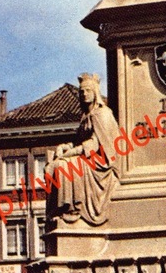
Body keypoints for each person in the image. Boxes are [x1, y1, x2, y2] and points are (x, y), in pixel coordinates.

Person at [48, 73, 120, 226]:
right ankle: (58, 212)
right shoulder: (85, 116)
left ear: (95, 93)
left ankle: (71, 209)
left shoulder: (103, 113)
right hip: (87, 157)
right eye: (82, 91)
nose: (84, 94)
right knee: (52, 166)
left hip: (100, 162)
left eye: (87, 90)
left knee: (64, 166)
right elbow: (78, 141)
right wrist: (65, 147)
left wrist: (72, 152)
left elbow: (95, 144)